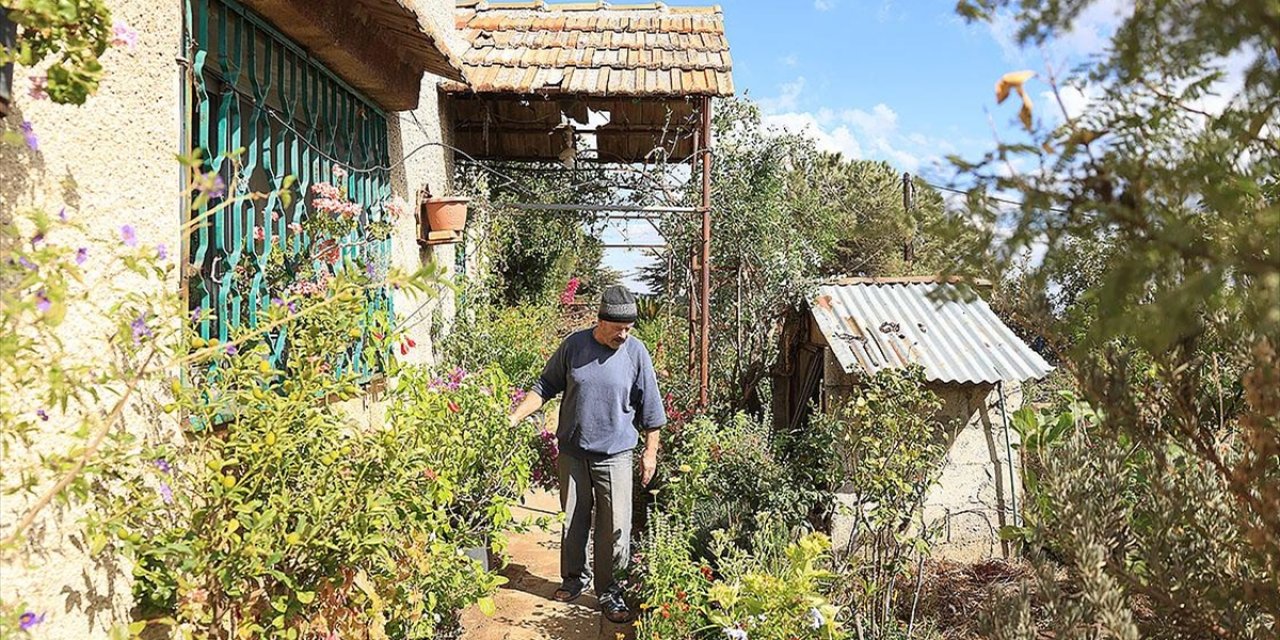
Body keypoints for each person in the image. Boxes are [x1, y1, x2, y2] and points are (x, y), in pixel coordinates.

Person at [508, 285, 666, 623]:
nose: (623, 335)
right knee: (573, 520)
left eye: (629, 328)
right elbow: (545, 386)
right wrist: (515, 416)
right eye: (617, 328)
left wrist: (649, 453)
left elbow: (651, 410)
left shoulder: (636, 353)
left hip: (615, 454)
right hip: (573, 452)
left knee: (615, 527)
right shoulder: (574, 346)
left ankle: (611, 592)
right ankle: (574, 579)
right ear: (600, 321)